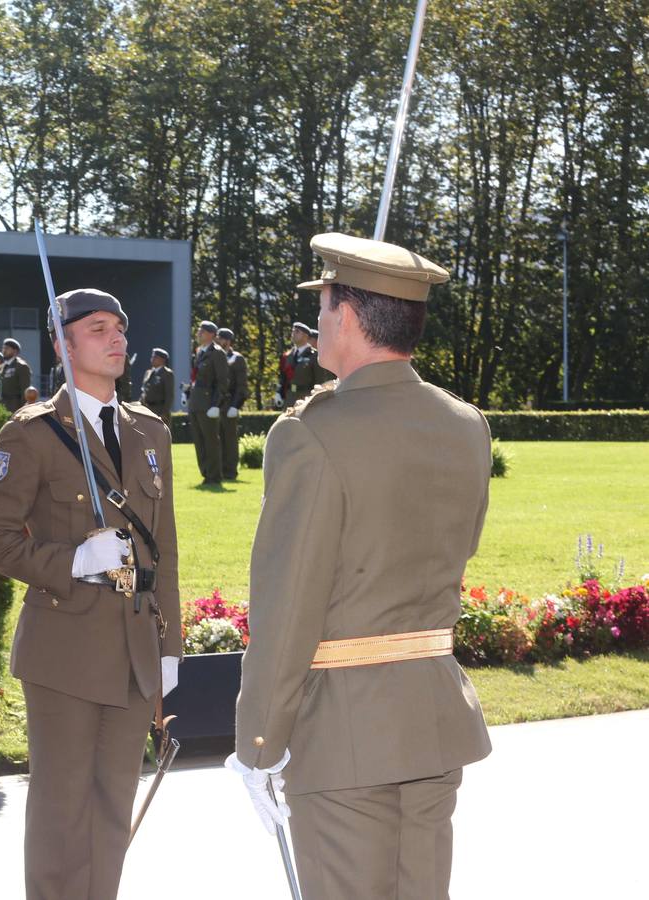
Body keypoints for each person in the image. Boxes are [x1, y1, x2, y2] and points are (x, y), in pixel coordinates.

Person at [228, 232, 491, 900]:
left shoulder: (311, 432)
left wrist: (258, 743)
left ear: (345, 315)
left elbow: (288, 607)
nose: (318, 322)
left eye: (322, 307)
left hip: (343, 736)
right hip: (432, 723)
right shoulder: (466, 425)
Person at [0, 288, 180, 900]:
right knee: (63, 810)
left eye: (120, 326)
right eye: (97, 329)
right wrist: (72, 559)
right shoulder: (33, 433)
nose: (116, 338)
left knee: (114, 807)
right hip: (65, 646)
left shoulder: (149, 432)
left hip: (136, 646)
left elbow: (163, 548)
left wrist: (171, 645)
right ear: (63, 346)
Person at [188, 321, 229, 485]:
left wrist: (216, 404)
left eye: (202, 332)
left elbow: (222, 382)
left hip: (208, 402)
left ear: (211, 335)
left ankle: (214, 475)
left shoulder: (217, 353)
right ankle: (205, 473)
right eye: (198, 331)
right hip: (196, 401)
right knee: (199, 440)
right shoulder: (199, 352)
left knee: (211, 440)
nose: (198, 334)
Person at [216, 328, 249, 480]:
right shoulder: (214, 356)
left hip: (229, 403)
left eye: (221, 338)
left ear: (228, 341)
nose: (218, 341)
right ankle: (219, 469)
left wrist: (236, 405)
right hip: (216, 403)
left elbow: (241, 386)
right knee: (217, 438)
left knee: (229, 439)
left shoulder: (237, 358)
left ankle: (230, 471)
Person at [276, 322, 316, 410]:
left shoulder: (314, 356)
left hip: (306, 398)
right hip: (290, 398)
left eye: (297, 331)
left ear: (306, 336)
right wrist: (279, 393)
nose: (293, 334)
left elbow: (320, 381)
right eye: (293, 331)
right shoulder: (287, 356)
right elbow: (282, 377)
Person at [137, 348, 175, 422]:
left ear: (162, 360)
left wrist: (164, 413)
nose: (152, 359)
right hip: (147, 410)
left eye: (155, 357)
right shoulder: (148, 373)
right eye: (152, 357)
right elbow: (144, 392)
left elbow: (169, 395)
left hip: (159, 410)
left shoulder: (167, 374)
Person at [0, 338, 32, 412]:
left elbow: (24, 390)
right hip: (1, 405)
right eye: (3, 348)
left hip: (14, 406)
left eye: (7, 348)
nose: (4, 351)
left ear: (15, 351)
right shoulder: (1, 367)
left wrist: (23, 409)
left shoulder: (21, 366)